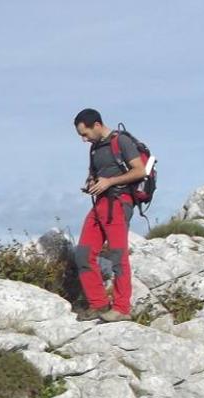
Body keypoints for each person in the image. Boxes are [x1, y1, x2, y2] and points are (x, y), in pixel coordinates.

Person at [72, 108, 147, 322]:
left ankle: (122, 308)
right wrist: (92, 184)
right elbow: (94, 174)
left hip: (119, 202)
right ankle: (99, 304)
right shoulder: (95, 149)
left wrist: (110, 182)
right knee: (83, 254)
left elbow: (139, 170)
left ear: (97, 125)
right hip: (100, 204)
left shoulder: (121, 141)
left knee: (118, 255)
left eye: (85, 134)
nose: (84, 140)